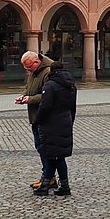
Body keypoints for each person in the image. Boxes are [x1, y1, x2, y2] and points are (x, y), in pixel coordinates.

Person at [32, 64, 77, 197]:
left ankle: (48, 186)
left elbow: (45, 106)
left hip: (51, 123)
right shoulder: (71, 85)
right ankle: (62, 185)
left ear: (51, 71)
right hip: (65, 121)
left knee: (51, 155)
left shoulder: (50, 85)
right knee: (58, 156)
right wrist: (70, 120)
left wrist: (38, 120)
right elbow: (72, 106)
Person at [17, 51, 58, 190]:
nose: (28, 71)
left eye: (29, 68)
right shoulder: (35, 71)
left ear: (36, 62)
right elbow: (30, 89)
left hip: (44, 117)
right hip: (36, 116)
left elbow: (49, 96)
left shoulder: (48, 72)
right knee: (40, 147)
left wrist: (30, 99)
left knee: (44, 148)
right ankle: (47, 176)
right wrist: (24, 96)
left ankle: (48, 177)